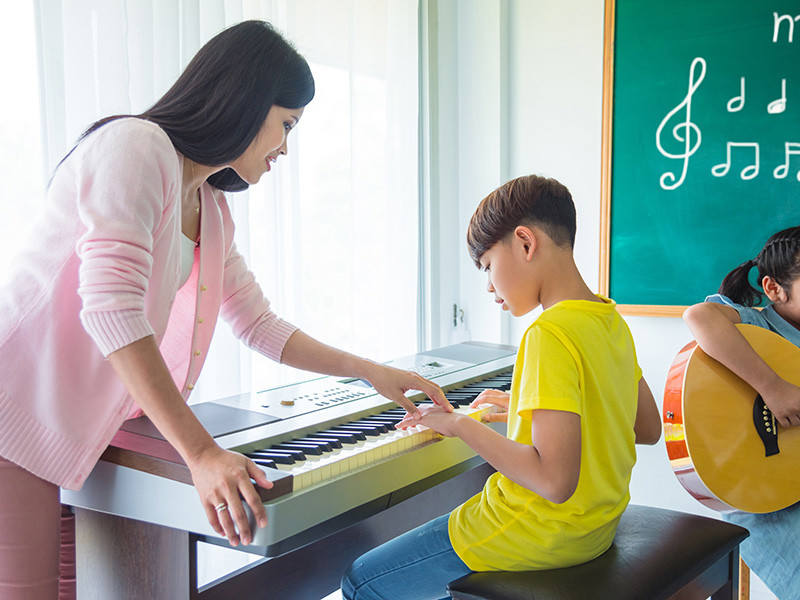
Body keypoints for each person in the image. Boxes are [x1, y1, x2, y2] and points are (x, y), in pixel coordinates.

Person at [0, 20, 451, 600]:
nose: (286, 147)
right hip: (15, 413)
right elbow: (109, 307)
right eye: (286, 125)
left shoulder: (210, 209)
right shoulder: (136, 147)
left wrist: (369, 371)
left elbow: (258, 324)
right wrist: (202, 454)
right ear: (244, 100)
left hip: (74, 435)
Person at [340, 174, 662, 600]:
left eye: (488, 266)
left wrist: (459, 424)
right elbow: (646, 427)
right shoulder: (609, 319)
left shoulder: (548, 334)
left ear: (526, 243)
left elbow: (554, 481)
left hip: (536, 534)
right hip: (593, 531)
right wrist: (530, 409)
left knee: (360, 580)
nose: (490, 287)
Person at [683, 225, 800, 600]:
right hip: (768, 500)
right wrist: (773, 388)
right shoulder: (758, 325)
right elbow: (700, 317)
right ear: (773, 289)